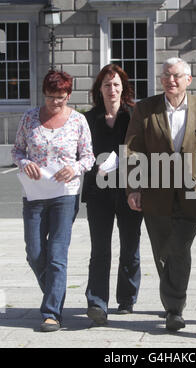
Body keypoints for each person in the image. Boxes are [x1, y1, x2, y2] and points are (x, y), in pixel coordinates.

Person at [125, 57, 196, 331]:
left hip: (193, 193)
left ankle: (174, 307)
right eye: (165, 76)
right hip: (156, 193)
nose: (170, 80)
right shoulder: (145, 109)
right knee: (162, 251)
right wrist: (134, 187)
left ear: (188, 79)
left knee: (179, 248)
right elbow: (132, 149)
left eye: (175, 76)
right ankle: (173, 306)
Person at [11, 70, 95, 332]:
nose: (54, 103)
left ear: (68, 95)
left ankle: (51, 313)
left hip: (65, 194)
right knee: (35, 253)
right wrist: (25, 163)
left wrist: (76, 168)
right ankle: (55, 293)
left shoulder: (78, 121)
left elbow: (89, 156)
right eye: (50, 97)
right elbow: (17, 150)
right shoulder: (29, 118)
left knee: (57, 254)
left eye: (60, 98)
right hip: (34, 194)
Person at [81, 64, 143, 325]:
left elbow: (142, 151)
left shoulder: (134, 115)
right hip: (99, 192)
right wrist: (92, 164)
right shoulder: (88, 118)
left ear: (124, 88)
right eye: (107, 84)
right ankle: (97, 302)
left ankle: (126, 299)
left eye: (116, 84)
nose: (112, 89)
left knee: (130, 248)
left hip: (130, 191)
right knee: (100, 249)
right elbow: (81, 152)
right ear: (100, 89)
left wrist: (139, 187)